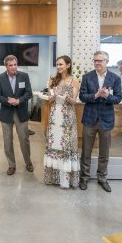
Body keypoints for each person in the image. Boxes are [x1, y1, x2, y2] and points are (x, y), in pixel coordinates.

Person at [79, 50, 122, 192]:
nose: (97, 63)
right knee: (86, 151)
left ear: (106, 62)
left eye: (100, 60)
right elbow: (82, 97)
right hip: (89, 119)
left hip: (106, 120)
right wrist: (96, 95)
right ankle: (84, 178)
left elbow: (118, 98)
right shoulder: (87, 77)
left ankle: (102, 178)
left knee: (104, 152)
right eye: (95, 60)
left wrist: (107, 96)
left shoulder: (115, 78)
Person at [44, 55, 80, 189]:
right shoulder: (53, 80)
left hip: (68, 116)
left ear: (68, 65)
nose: (58, 67)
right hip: (55, 115)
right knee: (54, 143)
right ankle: (53, 178)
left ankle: (66, 180)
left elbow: (74, 102)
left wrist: (67, 97)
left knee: (67, 145)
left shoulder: (74, 81)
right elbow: (49, 99)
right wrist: (53, 95)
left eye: (61, 64)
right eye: (57, 64)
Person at [0, 54, 33, 175]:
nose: (13, 67)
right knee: (7, 141)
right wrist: (8, 101)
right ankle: (11, 165)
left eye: (15, 65)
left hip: (21, 112)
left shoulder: (24, 76)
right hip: (6, 113)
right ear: (6, 66)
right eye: (10, 65)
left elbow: (29, 93)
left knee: (24, 139)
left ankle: (28, 162)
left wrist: (19, 100)